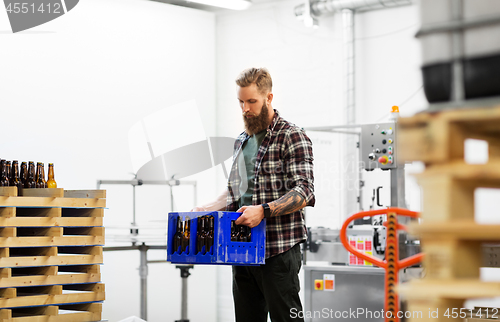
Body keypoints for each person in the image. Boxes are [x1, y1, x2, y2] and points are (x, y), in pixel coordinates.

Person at [192, 67, 315, 322]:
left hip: (277, 251)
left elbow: (304, 190)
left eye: (251, 101)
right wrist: (208, 207)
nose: (245, 109)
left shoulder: (292, 136)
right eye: (241, 102)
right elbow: (235, 191)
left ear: (269, 98)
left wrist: (264, 211)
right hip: (242, 249)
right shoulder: (242, 141)